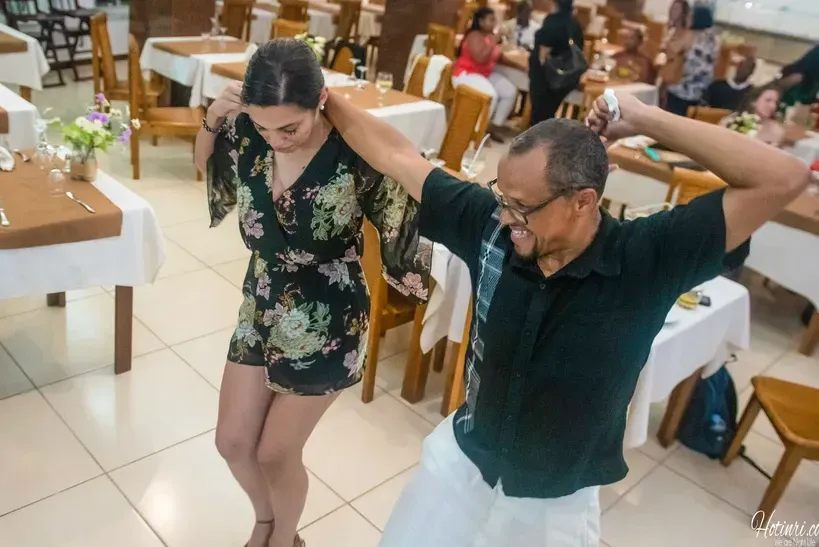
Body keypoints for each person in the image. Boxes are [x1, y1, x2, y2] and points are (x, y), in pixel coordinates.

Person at [324, 78, 811, 545]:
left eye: (521, 206)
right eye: (502, 197)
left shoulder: (647, 257)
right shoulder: (490, 226)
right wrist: (320, 97)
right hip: (463, 462)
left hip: (553, 500)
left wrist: (645, 117)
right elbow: (396, 155)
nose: (505, 217)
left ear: (583, 201)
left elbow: (783, 178)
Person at [193, 39, 429, 547]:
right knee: (232, 442)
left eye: (290, 128)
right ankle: (265, 520)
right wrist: (213, 118)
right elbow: (207, 165)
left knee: (276, 453)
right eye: (263, 127)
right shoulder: (249, 131)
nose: (275, 140)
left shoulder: (353, 152)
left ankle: (285, 539)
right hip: (262, 300)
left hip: (329, 316)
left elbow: (414, 187)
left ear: (320, 101)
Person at [452, 7, 518, 141]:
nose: (495, 23)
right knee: (491, 96)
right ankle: (477, 132)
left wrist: (520, 66)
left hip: (483, 74)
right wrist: (494, 40)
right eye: (491, 20)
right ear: (481, 22)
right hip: (466, 74)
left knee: (509, 91)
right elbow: (480, 58)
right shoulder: (474, 36)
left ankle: (492, 126)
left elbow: (499, 58)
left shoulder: (489, 36)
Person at [528, 0, 584, 125]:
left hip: (547, 79)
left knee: (539, 115)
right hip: (566, 78)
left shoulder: (552, 22)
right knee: (548, 115)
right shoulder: (575, 23)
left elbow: (543, 56)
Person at [665, 5, 719, 116]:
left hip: (683, 85)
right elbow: (715, 61)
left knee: (672, 115)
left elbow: (674, 49)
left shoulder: (692, 34)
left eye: (690, 16)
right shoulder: (715, 38)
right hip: (701, 88)